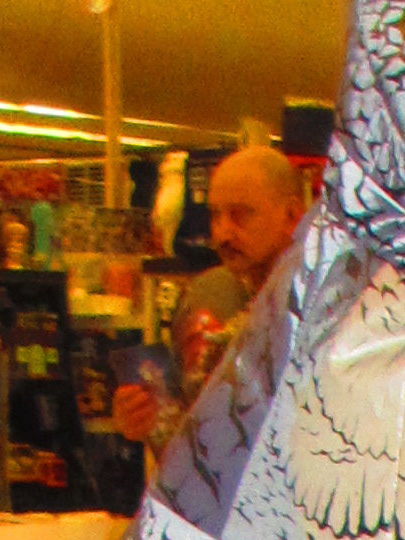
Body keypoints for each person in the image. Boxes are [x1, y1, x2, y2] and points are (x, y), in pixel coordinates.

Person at [110, 145, 308, 463]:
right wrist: (144, 418)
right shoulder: (208, 295)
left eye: (240, 215)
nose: (223, 232)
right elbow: (188, 438)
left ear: (292, 216)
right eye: (215, 215)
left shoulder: (333, 303)